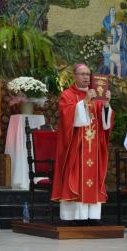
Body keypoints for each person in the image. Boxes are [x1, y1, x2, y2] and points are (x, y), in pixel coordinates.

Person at [51, 63, 113, 226]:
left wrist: (106, 104)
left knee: (93, 179)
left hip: (93, 148)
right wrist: (85, 101)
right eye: (82, 74)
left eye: (88, 74)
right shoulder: (68, 95)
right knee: (76, 179)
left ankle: (92, 216)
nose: (86, 77)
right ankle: (74, 217)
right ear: (74, 76)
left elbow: (105, 124)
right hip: (76, 148)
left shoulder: (97, 96)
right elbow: (67, 118)